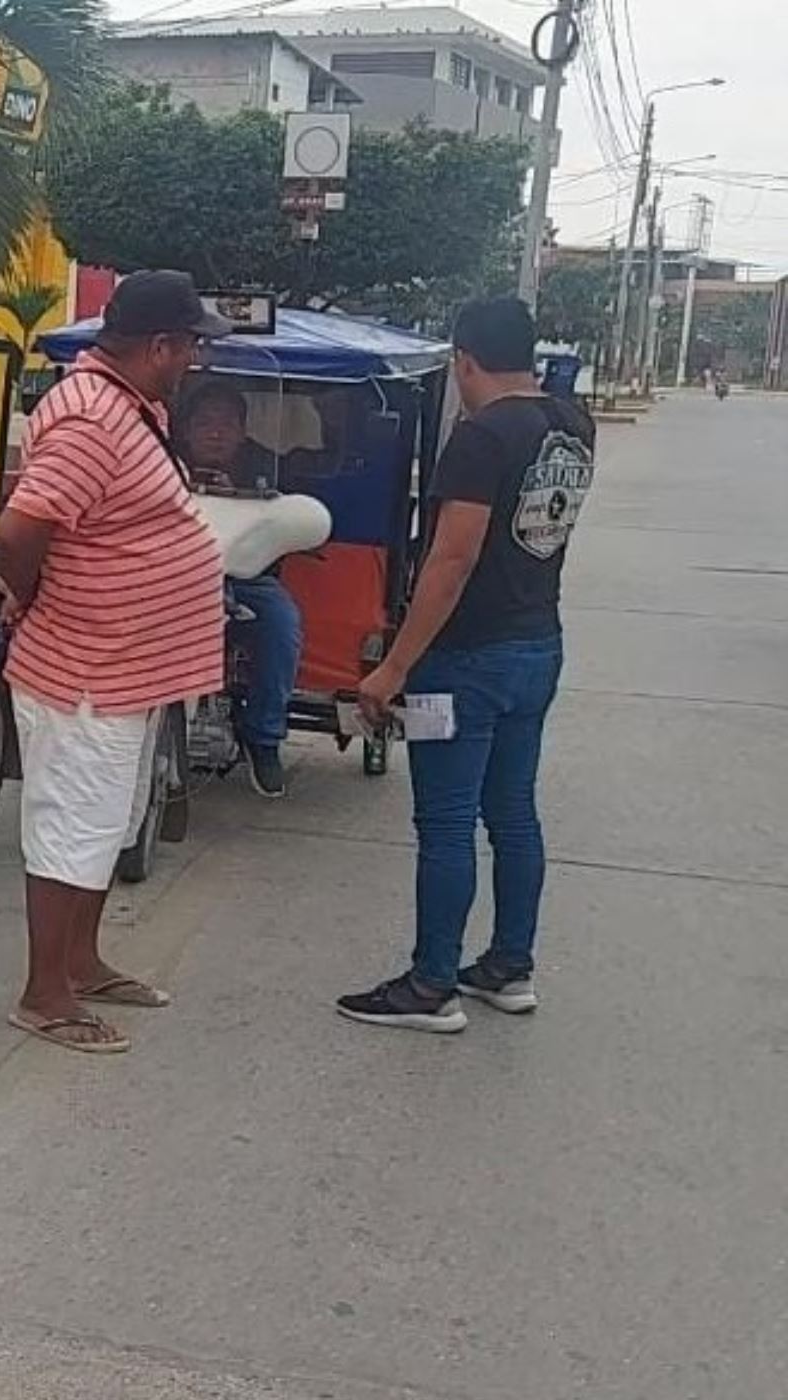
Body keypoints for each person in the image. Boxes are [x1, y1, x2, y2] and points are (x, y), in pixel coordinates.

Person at [339, 296, 595, 1033]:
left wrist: (393, 667)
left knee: (446, 824)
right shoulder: (571, 425)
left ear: (464, 359)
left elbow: (452, 559)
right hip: (537, 642)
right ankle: (509, 965)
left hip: (466, 659)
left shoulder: (481, 438)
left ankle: (431, 984)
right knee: (513, 812)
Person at [0, 271, 231, 1054]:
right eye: (192, 343)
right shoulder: (96, 416)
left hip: (125, 668)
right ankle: (44, 993)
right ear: (159, 346)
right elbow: (20, 529)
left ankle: (83, 962)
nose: (197, 357)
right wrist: (27, 598)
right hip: (86, 668)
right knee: (72, 826)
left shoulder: (126, 404)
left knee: (106, 824)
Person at [179, 383, 303, 798]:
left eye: (226, 424)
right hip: (176, 573)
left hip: (247, 577)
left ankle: (265, 737)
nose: (215, 432)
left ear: (242, 430)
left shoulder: (266, 467)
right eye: (204, 423)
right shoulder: (163, 463)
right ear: (187, 429)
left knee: (282, 621)